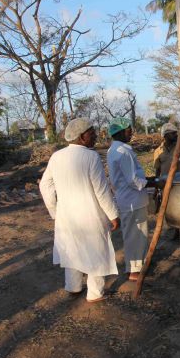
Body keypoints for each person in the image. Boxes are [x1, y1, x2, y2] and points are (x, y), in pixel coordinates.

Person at [39, 118, 120, 302]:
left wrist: (54, 210)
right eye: (92, 133)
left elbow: (45, 185)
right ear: (81, 137)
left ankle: (73, 286)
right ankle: (95, 293)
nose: (95, 136)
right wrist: (113, 215)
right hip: (90, 216)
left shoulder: (56, 156)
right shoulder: (91, 157)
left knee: (72, 251)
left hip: (66, 217)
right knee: (96, 253)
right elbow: (102, 191)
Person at [107, 117, 155, 282]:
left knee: (132, 235)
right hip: (133, 200)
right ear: (120, 132)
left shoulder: (113, 149)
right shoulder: (124, 151)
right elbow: (133, 180)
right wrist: (154, 181)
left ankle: (135, 266)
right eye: (128, 130)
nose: (131, 133)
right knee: (136, 235)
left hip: (126, 199)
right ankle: (134, 271)